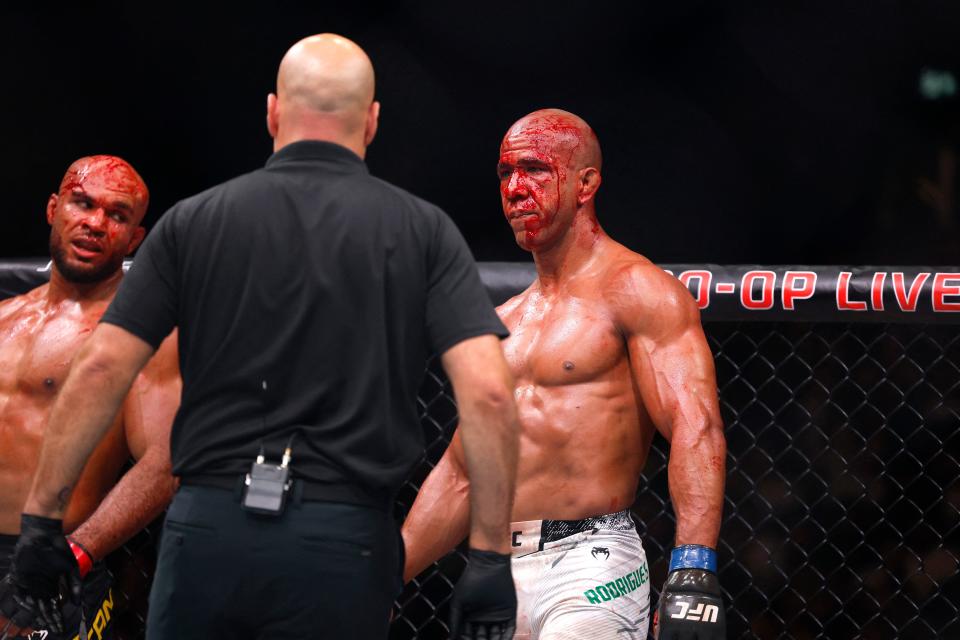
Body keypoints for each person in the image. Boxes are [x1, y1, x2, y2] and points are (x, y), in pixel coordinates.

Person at [4, 34, 520, 640]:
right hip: (342, 536)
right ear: (373, 121)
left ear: (273, 111)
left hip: (208, 531)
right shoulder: (422, 230)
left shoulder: (193, 222)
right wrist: (489, 556)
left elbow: (98, 370)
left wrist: (40, 522)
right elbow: (488, 393)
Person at [402, 109, 728, 639]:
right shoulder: (505, 321)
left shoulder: (637, 290)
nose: (515, 188)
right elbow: (463, 475)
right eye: (506, 173)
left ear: (586, 183)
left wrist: (693, 568)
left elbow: (695, 427)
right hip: (494, 570)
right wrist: (390, 579)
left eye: (534, 169)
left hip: (592, 565)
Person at [0, 156, 180, 640]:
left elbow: (167, 462)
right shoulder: (4, 316)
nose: (96, 223)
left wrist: (76, 553)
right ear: (54, 209)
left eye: (117, 215)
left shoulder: (141, 334)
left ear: (134, 239)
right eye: (83, 203)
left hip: (47, 560)